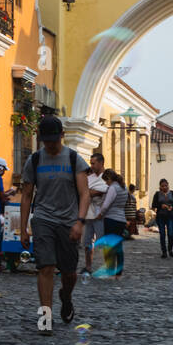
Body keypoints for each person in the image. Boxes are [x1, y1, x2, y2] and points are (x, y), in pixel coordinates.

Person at [20, 116, 91, 332]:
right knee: (46, 267)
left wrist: (79, 222)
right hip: (43, 218)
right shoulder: (34, 160)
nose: (50, 145)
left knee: (69, 272)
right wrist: (23, 228)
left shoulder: (73, 159)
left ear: (62, 136)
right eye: (46, 141)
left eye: (54, 140)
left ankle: (66, 295)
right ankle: (45, 318)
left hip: (69, 221)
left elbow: (84, 193)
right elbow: (26, 195)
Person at [95, 169, 128, 276]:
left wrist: (100, 215)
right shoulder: (124, 187)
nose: (106, 183)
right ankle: (119, 270)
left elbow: (106, 205)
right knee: (118, 245)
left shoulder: (113, 188)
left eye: (106, 181)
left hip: (111, 219)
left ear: (109, 178)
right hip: (121, 219)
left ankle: (110, 268)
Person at [82, 150, 108, 276]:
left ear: (101, 163)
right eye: (90, 163)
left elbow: (106, 191)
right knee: (87, 242)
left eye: (94, 163)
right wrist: (93, 192)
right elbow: (84, 192)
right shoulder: (89, 178)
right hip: (89, 212)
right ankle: (88, 266)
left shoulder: (108, 177)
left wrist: (92, 192)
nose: (91, 166)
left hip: (101, 213)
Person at [151, 179, 173, 257]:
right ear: (160, 186)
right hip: (160, 216)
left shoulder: (172, 193)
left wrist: (172, 207)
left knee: (170, 234)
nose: (164, 187)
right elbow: (153, 205)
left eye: (165, 185)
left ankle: (170, 249)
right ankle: (164, 251)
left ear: (168, 185)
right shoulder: (157, 194)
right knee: (162, 234)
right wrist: (160, 206)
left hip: (170, 216)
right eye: (162, 186)